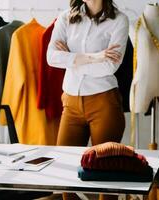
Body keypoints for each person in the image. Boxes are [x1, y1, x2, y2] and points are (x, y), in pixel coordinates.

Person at [47, 0, 129, 199]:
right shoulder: (66, 17)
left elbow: (110, 67)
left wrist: (71, 58)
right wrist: (95, 57)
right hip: (71, 103)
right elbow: (51, 57)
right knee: (65, 172)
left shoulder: (119, 20)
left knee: (106, 175)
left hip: (104, 103)